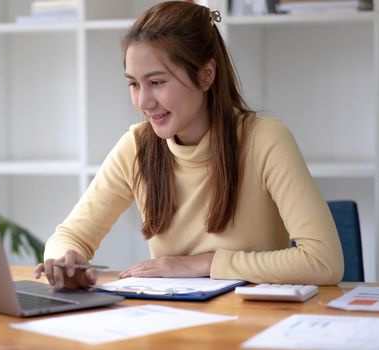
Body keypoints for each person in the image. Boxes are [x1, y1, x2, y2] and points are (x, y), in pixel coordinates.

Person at [34, 1, 344, 289]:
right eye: (133, 84)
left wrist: (204, 264)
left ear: (206, 74)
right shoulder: (138, 146)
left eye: (157, 82)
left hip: (255, 322)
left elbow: (323, 261)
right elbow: (69, 235)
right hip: (174, 325)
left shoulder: (264, 139)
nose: (143, 101)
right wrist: (65, 261)